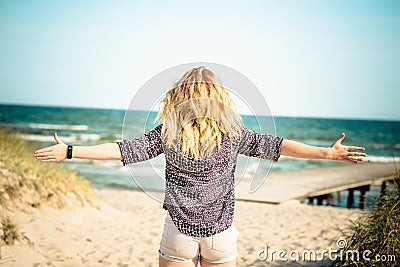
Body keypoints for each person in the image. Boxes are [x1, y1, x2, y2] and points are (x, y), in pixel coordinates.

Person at [34, 66, 366, 267]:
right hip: (221, 236)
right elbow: (280, 146)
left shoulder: (166, 134)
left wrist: (71, 151)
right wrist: (327, 153)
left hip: (178, 233)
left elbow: (121, 151)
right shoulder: (234, 133)